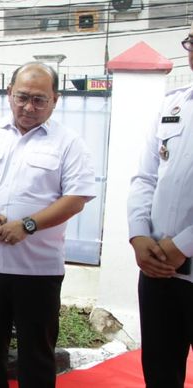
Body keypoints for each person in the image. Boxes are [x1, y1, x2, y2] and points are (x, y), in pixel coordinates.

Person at [0, 62, 96, 388]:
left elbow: (77, 197)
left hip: (38, 272)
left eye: (39, 100)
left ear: (55, 100)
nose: (29, 107)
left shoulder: (69, 143)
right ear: (9, 94)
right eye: (22, 97)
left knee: (37, 356)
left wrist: (27, 225)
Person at [127, 24, 193, 388]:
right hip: (156, 268)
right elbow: (145, 178)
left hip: (178, 258)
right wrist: (138, 236)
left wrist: (180, 246)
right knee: (160, 368)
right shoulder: (174, 104)